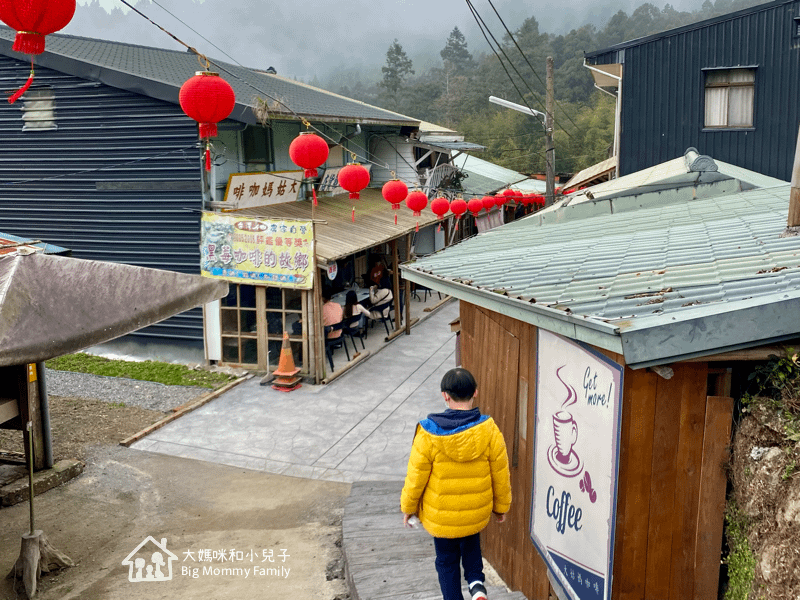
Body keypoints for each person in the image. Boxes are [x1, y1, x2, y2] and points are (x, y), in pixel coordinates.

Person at [400, 368, 511, 600]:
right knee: (471, 547)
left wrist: (408, 508)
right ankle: (477, 586)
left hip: (442, 517)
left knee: (447, 561)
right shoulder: (489, 430)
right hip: (474, 512)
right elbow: (500, 473)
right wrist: (501, 508)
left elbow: (415, 477)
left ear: (445, 396)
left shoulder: (428, 433)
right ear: (476, 393)